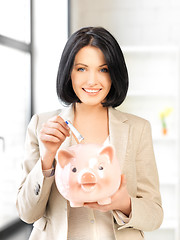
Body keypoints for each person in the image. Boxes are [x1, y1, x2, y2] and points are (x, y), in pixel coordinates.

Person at [16, 27, 163, 240]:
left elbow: (155, 215)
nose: (92, 81)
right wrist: (47, 159)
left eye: (103, 69)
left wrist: (124, 203)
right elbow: (27, 213)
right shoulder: (42, 125)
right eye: (82, 69)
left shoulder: (138, 129)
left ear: (114, 73)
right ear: (69, 72)